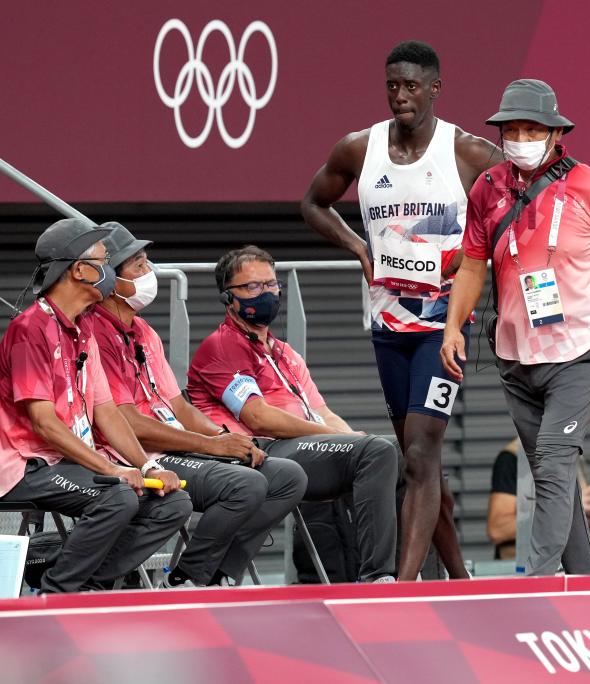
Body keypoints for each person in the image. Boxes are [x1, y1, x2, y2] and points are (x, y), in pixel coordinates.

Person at [441, 79, 590, 576]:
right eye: (512, 129)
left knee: (551, 458)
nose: (519, 137)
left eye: (532, 128)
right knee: (554, 475)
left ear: (555, 133)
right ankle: (586, 584)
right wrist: (453, 328)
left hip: (578, 348)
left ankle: (538, 583)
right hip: (514, 352)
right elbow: (474, 264)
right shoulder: (487, 188)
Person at [301, 40, 501, 581]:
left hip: (443, 328)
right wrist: (359, 248)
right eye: (392, 85)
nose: (399, 96)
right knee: (419, 462)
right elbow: (312, 203)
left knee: (419, 453)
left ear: (435, 88)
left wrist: (470, 257)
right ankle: (460, 579)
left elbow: (515, 211)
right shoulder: (358, 149)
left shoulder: (468, 153)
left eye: (411, 86)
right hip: (387, 325)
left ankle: (403, 586)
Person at [90, 223, 308, 587]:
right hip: (135, 454)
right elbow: (126, 421)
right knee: (245, 486)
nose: (150, 273)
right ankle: (186, 579)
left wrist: (225, 438)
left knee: (287, 476)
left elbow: (179, 406)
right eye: (139, 266)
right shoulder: (96, 332)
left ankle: (219, 571)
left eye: (148, 262)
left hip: (178, 446)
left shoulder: (142, 330)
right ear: (110, 279)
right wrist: (210, 445)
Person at [186, 245, 400, 583]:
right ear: (229, 297)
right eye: (252, 286)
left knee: (397, 452)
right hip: (263, 450)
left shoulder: (285, 353)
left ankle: (405, 571)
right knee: (375, 451)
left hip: (306, 448)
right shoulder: (222, 345)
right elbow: (259, 418)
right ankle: (377, 577)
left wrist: (354, 437)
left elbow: (321, 411)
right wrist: (344, 440)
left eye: (271, 284)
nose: (266, 292)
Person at [0, 219, 191, 593]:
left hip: (68, 462)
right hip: (25, 466)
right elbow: (44, 424)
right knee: (117, 497)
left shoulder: (84, 327)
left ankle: (89, 585)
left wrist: (146, 464)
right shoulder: (30, 329)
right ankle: (57, 594)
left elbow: (106, 410)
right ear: (79, 270)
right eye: (104, 261)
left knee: (173, 503)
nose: (109, 270)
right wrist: (112, 470)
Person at [487, 437, 590, 560]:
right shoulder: (515, 456)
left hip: (566, 565)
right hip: (525, 571)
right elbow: (498, 530)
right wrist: (567, 508)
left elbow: (569, 521)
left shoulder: (571, 452)